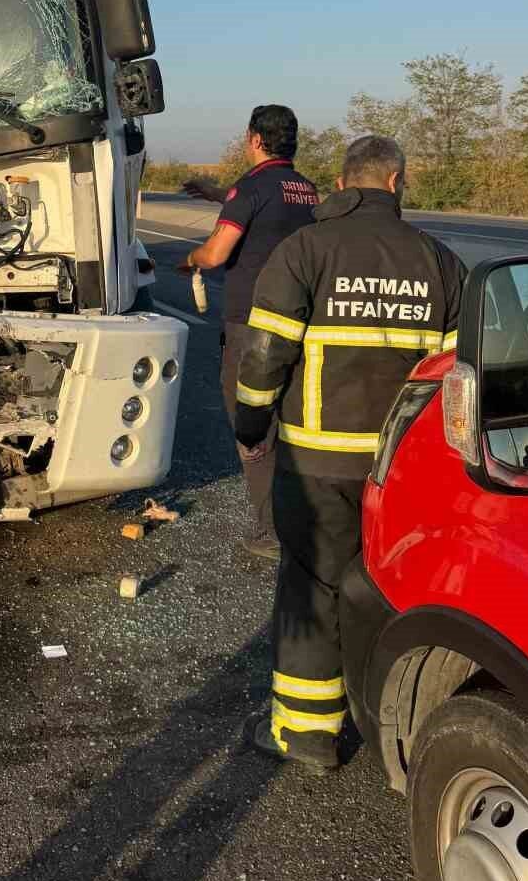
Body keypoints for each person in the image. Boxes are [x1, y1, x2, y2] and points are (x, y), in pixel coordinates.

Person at [233, 134, 465, 774]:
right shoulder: (439, 260)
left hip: (317, 464)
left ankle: (308, 733)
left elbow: (265, 353)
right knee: (394, 591)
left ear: (341, 183)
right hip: (403, 469)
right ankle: (401, 724)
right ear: (396, 182)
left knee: (313, 585)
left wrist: (251, 423)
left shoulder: (305, 250)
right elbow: (459, 372)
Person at [177, 105, 318, 557]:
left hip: (252, 327)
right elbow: (268, 210)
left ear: (255, 139)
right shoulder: (306, 189)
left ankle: (271, 533)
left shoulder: (251, 186)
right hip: (299, 320)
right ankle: (305, 517)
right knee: (291, 421)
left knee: (251, 426)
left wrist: (192, 259)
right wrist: (219, 194)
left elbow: (217, 254)